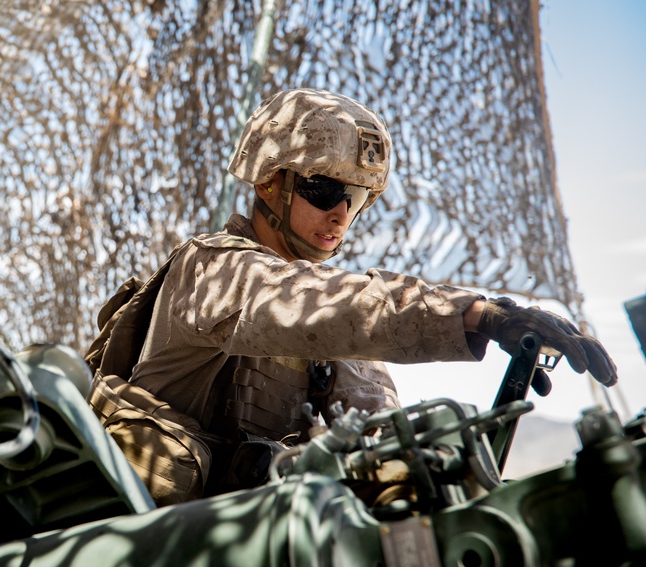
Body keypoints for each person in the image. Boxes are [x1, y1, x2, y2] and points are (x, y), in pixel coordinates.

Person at [87, 88, 617, 506]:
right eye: (324, 190)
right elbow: (311, 301)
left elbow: (377, 424)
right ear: (270, 183)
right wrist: (477, 315)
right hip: (172, 554)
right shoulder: (210, 270)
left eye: (358, 197)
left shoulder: (326, 326)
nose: (341, 213)